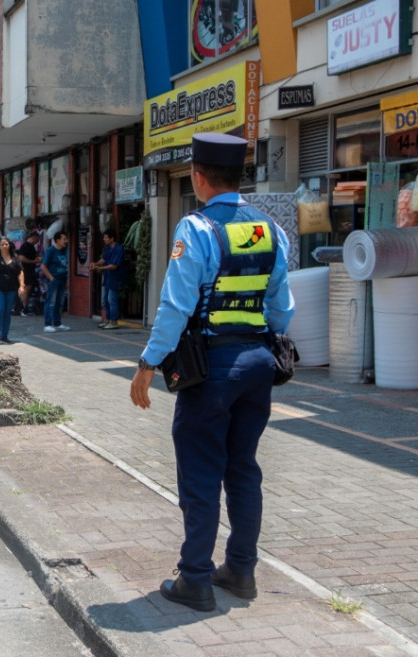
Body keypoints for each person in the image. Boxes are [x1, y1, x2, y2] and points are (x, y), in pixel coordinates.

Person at [129, 133, 295, 612]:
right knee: (243, 469)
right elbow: (281, 307)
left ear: (199, 179)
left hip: (211, 370)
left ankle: (195, 579)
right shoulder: (270, 229)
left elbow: (176, 306)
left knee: (201, 474)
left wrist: (147, 364)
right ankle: (240, 571)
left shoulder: (196, 228)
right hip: (259, 363)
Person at [92, 228, 125, 329]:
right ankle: (107, 319)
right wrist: (95, 263)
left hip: (115, 278)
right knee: (105, 299)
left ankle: (114, 321)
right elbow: (104, 259)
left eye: (106, 237)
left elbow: (114, 265)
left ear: (112, 238)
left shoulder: (118, 249)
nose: (104, 239)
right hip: (107, 277)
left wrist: (100, 268)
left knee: (112, 300)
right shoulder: (108, 248)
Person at [40, 231, 70, 333]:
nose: (66, 241)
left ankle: (57, 322)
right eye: (64, 239)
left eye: (66, 239)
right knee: (51, 302)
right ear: (57, 240)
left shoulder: (65, 250)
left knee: (59, 302)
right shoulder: (51, 251)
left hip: (62, 278)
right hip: (53, 279)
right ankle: (47, 324)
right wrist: (51, 278)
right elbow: (43, 266)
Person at [15, 231, 41, 316]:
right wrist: (33, 261)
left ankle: (21, 307)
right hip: (26, 270)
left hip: (30, 270)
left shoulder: (31, 246)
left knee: (27, 289)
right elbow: (21, 258)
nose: (38, 241)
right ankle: (23, 307)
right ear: (34, 237)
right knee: (26, 289)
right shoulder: (25, 246)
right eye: (37, 239)